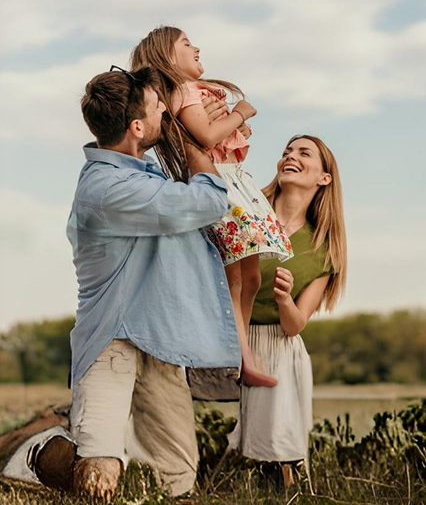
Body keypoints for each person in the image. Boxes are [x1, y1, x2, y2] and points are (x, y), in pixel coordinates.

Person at [28, 65, 241, 500]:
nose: (166, 108)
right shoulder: (109, 189)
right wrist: (200, 143)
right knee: (99, 473)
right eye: (157, 105)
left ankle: (69, 448)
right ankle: (40, 454)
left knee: (180, 472)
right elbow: (207, 202)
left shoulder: (144, 173)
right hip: (114, 337)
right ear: (137, 126)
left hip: (160, 336)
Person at [130, 27, 293, 389]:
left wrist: (234, 130)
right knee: (235, 280)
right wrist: (239, 115)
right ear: (169, 58)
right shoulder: (184, 92)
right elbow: (205, 136)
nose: (197, 47)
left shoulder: (195, 93)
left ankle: (242, 351)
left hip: (237, 182)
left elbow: (215, 137)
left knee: (251, 278)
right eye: (187, 44)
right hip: (222, 187)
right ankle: (239, 358)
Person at [228, 134, 347, 478]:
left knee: (282, 356)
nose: (290, 156)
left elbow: (295, 325)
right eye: (286, 152)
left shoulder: (323, 250)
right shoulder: (246, 209)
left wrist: (283, 299)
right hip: (227, 328)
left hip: (275, 340)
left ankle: (279, 471)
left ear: (323, 178)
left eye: (303, 153)